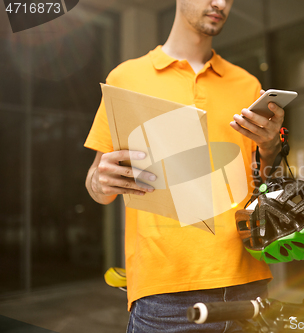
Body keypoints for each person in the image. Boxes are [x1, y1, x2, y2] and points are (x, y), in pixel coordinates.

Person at [84, 0, 285, 332]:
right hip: (164, 295)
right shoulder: (125, 77)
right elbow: (97, 186)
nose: (220, 3)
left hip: (249, 284)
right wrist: (100, 181)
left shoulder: (246, 85)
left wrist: (269, 145)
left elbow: (263, 183)